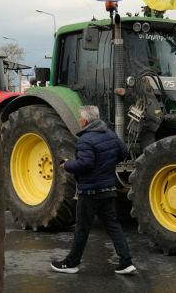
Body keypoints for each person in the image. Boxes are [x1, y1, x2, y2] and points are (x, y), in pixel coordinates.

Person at [51, 105, 136, 275]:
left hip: (90, 192)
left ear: (84, 121)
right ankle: (126, 262)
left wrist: (67, 164)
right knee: (113, 226)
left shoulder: (85, 139)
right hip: (108, 189)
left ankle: (71, 263)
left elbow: (85, 164)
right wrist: (107, 165)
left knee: (82, 229)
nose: (79, 120)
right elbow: (124, 151)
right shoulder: (110, 134)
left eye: (79, 117)